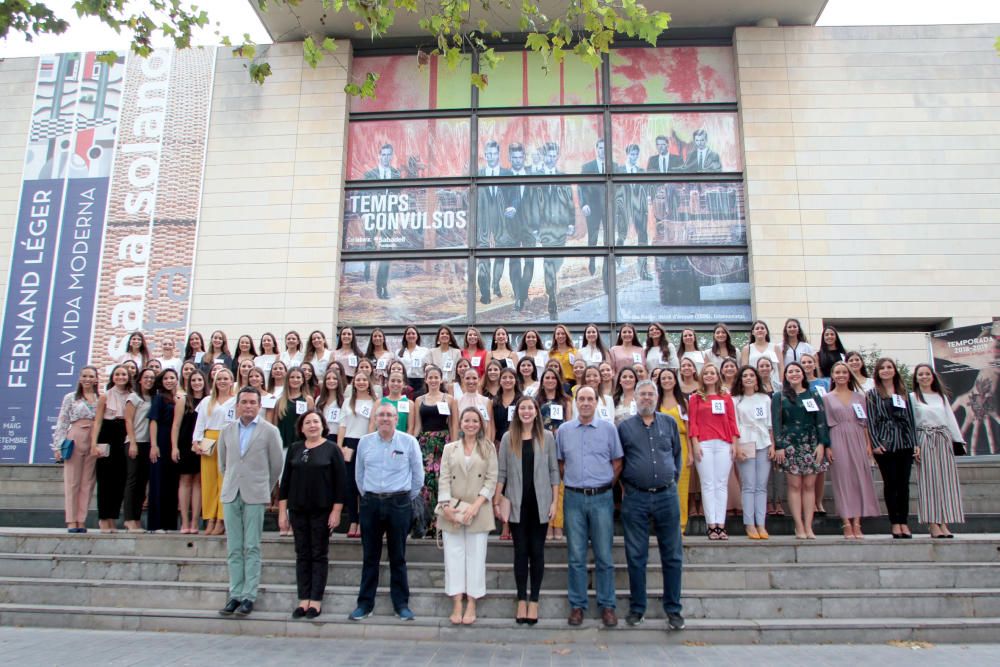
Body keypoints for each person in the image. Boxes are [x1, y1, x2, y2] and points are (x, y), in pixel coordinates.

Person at [617, 379, 685, 631]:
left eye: (650, 394)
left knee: (673, 556)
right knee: (636, 556)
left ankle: (673, 610)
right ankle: (637, 608)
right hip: (636, 498)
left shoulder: (669, 423)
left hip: (667, 497)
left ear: (656, 397)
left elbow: (676, 455)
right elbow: (619, 460)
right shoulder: (624, 428)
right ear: (634, 398)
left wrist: (672, 480)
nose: (646, 398)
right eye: (642, 394)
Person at [350, 403, 424, 622]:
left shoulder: (409, 442)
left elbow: (417, 477)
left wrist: (403, 499)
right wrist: (370, 496)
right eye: (381, 415)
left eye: (389, 415)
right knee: (369, 556)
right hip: (371, 502)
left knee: (398, 556)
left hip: (399, 503)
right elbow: (359, 475)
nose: (385, 419)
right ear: (375, 418)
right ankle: (364, 604)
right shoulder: (364, 442)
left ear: (396, 419)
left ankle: (401, 604)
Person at [557, 385, 624, 628]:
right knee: (576, 555)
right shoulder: (564, 431)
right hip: (574, 498)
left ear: (597, 403)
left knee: (604, 555)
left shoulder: (608, 430)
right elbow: (561, 463)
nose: (585, 403)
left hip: (602, 499)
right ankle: (577, 605)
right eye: (581, 399)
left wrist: (604, 484)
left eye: (589, 399)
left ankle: (607, 605)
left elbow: (617, 462)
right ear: (575, 403)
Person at [217, 387, 283, 618]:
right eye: (244, 402)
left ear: (259, 405)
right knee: (234, 547)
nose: (248, 406)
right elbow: (223, 464)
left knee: (251, 546)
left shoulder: (269, 431)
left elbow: (276, 465)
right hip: (232, 492)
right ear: (237, 405)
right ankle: (235, 594)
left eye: (252, 402)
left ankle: (248, 596)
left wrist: (263, 486)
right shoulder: (227, 431)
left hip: (255, 494)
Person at [496, 395, 559, 625]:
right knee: (520, 552)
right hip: (516, 504)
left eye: (530, 408)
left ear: (536, 411)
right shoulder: (507, 438)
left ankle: (535, 600)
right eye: (522, 408)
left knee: (537, 552)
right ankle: (521, 598)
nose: (526, 412)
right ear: (517, 412)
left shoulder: (548, 437)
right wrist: (497, 499)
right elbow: (501, 472)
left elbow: (554, 471)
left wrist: (554, 502)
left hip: (540, 502)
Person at [279, 410, 347, 618]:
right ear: (301, 427)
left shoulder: (332, 449)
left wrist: (336, 511)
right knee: (302, 554)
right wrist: (283, 512)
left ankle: (315, 600)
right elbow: (286, 483)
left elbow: (341, 484)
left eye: (316, 422)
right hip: (298, 510)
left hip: (322, 511)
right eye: (307, 422)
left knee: (318, 554)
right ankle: (303, 599)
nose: (312, 425)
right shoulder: (295, 449)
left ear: (323, 425)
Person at [436, 407, 499, 625]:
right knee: (453, 557)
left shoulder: (488, 448)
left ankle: (472, 602)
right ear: (460, 423)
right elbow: (443, 477)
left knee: (476, 557)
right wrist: (446, 506)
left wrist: (477, 504)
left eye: (475, 421)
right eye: (466, 420)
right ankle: (456, 602)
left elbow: (492, 478)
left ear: (481, 424)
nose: (470, 424)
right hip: (452, 508)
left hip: (478, 509)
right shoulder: (450, 448)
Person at [772, 362, 829, 540]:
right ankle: (798, 525)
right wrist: (779, 445)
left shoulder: (813, 394)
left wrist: (822, 444)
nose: (794, 374)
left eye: (797, 371)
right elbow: (776, 423)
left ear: (803, 374)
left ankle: (808, 525)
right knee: (795, 486)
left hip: (811, 443)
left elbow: (821, 420)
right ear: (786, 375)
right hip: (790, 444)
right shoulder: (779, 396)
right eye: (791, 371)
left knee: (809, 486)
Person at [823, 361, 879, 539]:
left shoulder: (859, 397)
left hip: (857, 437)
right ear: (832, 375)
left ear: (849, 375)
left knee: (859, 479)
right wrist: (828, 447)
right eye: (837, 372)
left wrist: (868, 443)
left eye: (844, 372)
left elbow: (864, 423)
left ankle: (857, 523)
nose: (840, 375)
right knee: (843, 481)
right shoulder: (826, 398)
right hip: (837, 437)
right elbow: (824, 424)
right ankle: (846, 522)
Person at [910, 363, 966, 538]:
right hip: (925, 439)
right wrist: (915, 445)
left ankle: (945, 522)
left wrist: (957, 441)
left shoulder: (941, 397)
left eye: (927, 374)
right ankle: (932, 523)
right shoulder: (913, 397)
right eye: (920, 374)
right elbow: (911, 422)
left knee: (946, 482)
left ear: (932, 376)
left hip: (943, 439)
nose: (924, 377)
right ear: (916, 378)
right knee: (929, 483)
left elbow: (950, 419)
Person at [867, 357, 917, 538]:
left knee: (904, 485)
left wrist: (915, 443)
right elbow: (871, 421)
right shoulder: (873, 394)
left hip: (904, 443)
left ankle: (904, 522)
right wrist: (875, 443)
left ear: (895, 370)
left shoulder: (904, 392)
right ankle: (895, 522)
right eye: (882, 368)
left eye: (889, 367)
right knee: (891, 484)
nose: (886, 370)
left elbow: (911, 419)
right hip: (885, 443)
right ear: (878, 372)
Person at [688, 363, 740, 540]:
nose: (709, 375)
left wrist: (734, 443)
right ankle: (711, 525)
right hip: (704, 444)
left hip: (724, 444)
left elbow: (733, 421)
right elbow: (692, 423)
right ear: (702, 376)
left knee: (721, 483)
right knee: (708, 484)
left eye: (713, 373)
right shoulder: (695, 398)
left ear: (718, 376)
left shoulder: (726, 397)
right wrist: (695, 443)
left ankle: (721, 525)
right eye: (706, 373)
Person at [52, 366, 100, 533]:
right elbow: (62, 421)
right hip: (76, 437)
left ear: (96, 379)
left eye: (91, 376)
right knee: (72, 482)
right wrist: (58, 444)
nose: (88, 379)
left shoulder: (100, 398)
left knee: (88, 482)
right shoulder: (71, 397)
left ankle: (81, 519)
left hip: (94, 439)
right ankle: (71, 520)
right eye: (85, 376)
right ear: (80, 378)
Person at [411, 365, 457, 537]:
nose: (433, 380)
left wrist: (454, 445)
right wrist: (414, 443)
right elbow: (417, 426)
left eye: (436, 377)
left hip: (443, 443)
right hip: (425, 443)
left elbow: (453, 425)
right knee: (426, 484)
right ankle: (427, 524)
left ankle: (441, 524)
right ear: (426, 379)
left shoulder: (449, 399)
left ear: (441, 379)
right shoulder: (419, 400)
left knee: (441, 482)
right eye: (430, 377)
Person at [533, 142, 575, 320]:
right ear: (544, 157)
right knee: (548, 261)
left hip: (560, 226)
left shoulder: (563, 177)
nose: (551, 158)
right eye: (548, 155)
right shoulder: (536, 177)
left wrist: (571, 223)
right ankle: (552, 299)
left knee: (557, 261)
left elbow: (570, 201)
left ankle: (552, 286)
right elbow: (532, 202)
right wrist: (534, 226)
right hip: (544, 227)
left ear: (557, 157)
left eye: (553, 156)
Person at [193, 368, 237, 536]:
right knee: (209, 480)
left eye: (226, 378)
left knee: (224, 480)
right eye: (220, 378)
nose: (223, 381)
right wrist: (196, 440)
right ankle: (210, 518)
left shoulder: (235, 401)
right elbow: (200, 422)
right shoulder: (206, 401)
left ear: (231, 381)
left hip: (228, 437)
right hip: (209, 437)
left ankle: (221, 519)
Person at [732, 366, 773, 539]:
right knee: (748, 485)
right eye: (745, 376)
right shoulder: (735, 400)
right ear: (740, 380)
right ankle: (749, 524)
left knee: (761, 486)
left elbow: (770, 424)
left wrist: (772, 445)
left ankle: (761, 524)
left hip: (763, 441)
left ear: (757, 379)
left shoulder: (765, 398)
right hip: (745, 442)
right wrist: (737, 447)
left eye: (751, 375)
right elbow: (733, 425)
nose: (748, 378)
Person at [91, 364, 133, 532]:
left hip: (123, 433)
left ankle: (113, 518)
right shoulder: (105, 396)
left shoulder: (132, 396)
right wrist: (94, 443)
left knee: (120, 479)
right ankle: (103, 518)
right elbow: (98, 421)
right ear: (112, 377)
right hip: (107, 433)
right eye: (117, 374)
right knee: (105, 478)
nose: (120, 377)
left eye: (124, 374)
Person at [337, 371, 377, 539]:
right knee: (350, 485)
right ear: (353, 383)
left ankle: (363, 521)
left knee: (364, 484)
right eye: (358, 380)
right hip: (349, 444)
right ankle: (353, 520)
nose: (361, 382)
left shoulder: (375, 402)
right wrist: (339, 445)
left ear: (369, 383)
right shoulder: (347, 401)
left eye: (364, 380)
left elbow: (372, 424)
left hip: (365, 443)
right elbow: (342, 424)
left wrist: (367, 444)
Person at [657, 368, 691, 533]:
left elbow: (690, 429)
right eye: (663, 378)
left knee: (681, 487)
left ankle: (680, 525)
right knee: (663, 486)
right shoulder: (656, 401)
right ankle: (664, 524)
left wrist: (691, 452)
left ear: (675, 380)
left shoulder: (683, 402)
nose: (667, 381)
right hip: (661, 447)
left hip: (682, 444)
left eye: (669, 377)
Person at [477, 140, 511, 304]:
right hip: (483, 220)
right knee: (482, 255)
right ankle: (485, 292)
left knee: (500, 253)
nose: (490, 157)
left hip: (502, 220)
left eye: (494, 154)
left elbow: (513, 196)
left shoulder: (507, 174)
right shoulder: (479, 174)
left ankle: (495, 283)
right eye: (488, 154)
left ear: (498, 154)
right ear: (485, 155)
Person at [502, 143, 535, 311]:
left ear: (524, 158)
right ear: (509, 159)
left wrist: (537, 223)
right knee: (514, 262)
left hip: (529, 226)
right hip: (511, 227)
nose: (516, 160)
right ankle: (518, 297)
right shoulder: (504, 177)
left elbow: (538, 201)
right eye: (513, 158)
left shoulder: (532, 176)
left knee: (529, 262)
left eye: (519, 157)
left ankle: (523, 291)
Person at [173, 370, 206, 533]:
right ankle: (184, 522)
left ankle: (194, 522)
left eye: (200, 379)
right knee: (185, 481)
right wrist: (174, 446)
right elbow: (176, 425)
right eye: (194, 380)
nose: (197, 383)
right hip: (185, 444)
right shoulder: (183, 400)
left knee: (198, 482)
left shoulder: (208, 400)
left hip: (202, 444)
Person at [123, 368, 156, 532]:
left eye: (152, 378)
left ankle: (136, 518)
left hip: (148, 444)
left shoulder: (153, 398)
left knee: (143, 482)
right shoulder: (133, 397)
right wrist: (133, 442)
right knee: (133, 481)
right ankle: (129, 519)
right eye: (146, 377)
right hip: (135, 442)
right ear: (140, 380)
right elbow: (128, 420)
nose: (149, 380)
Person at [614, 144, 651, 279]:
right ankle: (617, 263)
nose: (634, 157)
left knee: (642, 236)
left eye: (636, 154)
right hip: (623, 207)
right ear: (627, 154)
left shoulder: (641, 171)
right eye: (631, 154)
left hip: (638, 208)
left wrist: (647, 198)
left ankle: (643, 270)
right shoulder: (619, 170)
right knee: (621, 235)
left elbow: (646, 188)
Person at [578, 139, 609, 278]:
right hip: (593, 208)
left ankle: (607, 266)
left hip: (608, 209)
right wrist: (584, 204)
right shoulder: (587, 167)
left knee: (608, 239)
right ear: (596, 149)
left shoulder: (612, 166)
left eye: (605, 148)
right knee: (593, 237)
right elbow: (581, 187)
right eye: (600, 148)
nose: (602, 150)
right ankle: (592, 261)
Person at [398, 326, 429, 393]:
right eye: (408, 334)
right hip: (404, 382)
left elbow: (427, 366)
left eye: (413, 333)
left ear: (417, 336)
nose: (411, 335)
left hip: (420, 382)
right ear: (405, 336)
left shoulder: (424, 351)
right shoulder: (398, 352)